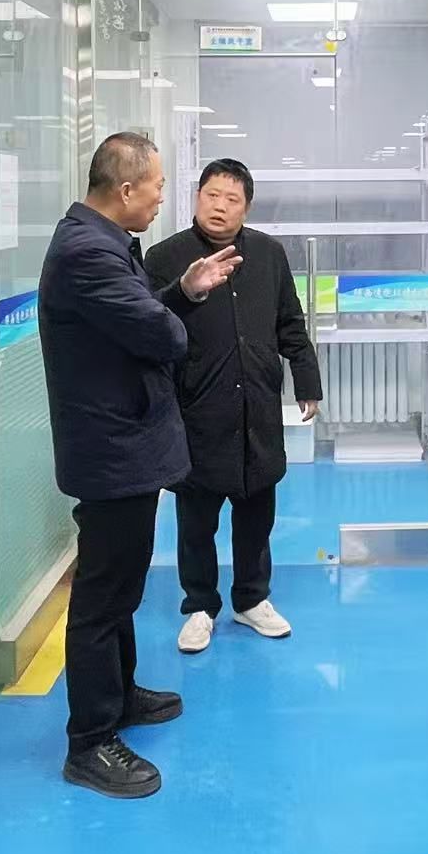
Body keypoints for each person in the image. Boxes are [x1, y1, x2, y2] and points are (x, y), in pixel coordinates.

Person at [38, 132, 240, 799]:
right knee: (102, 598)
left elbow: (146, 316)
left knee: (122, 586)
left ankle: (119, 694)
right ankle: (89, 741)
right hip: (111, 450)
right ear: (125, 190)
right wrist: (174, 317)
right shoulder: (86, 253)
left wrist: (181, 291)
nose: (161, 198)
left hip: (126, 444)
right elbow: (160, 335)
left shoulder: (104, 242)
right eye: (155, 186)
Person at [145, 158, 323, 653]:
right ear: (196, 197)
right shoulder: (165, 257)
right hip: (197, 411)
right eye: (212, 195)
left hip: (257, 408)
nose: (220, 206)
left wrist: (307, 380)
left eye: (232, 199)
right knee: (196, 521)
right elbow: (149, 324)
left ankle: (251, 599)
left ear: (246, 207)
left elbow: (290, 322)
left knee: (256, 514)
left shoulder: (267, 254)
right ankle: (199, 605)